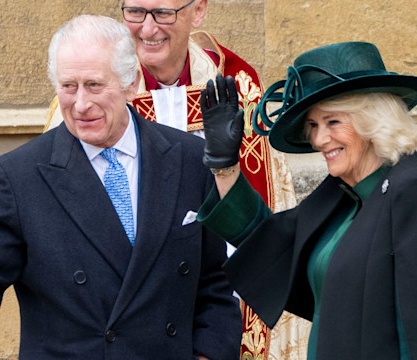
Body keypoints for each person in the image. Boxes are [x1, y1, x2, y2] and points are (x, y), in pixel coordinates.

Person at [0, 15, 241, 360]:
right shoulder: (18, 175)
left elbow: (214, 284)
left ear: (131, 84)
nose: (81, 104)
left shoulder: (189, 158)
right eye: (69, 86)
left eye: (95, 85)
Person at [43, 1, 304, 358]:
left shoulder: (235, 85)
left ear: (197, 11)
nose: (148, 29)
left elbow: (265, 209)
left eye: (163, 13)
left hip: (213, 306)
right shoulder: (89, 95)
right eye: (135, 12)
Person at [197, 42, 417, 359]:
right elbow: (273, 250)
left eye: (333, 121)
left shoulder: (413, 192)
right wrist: (224, 166)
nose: (320, 139)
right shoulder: (342, 195)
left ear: (372, 119)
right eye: (313, 125)